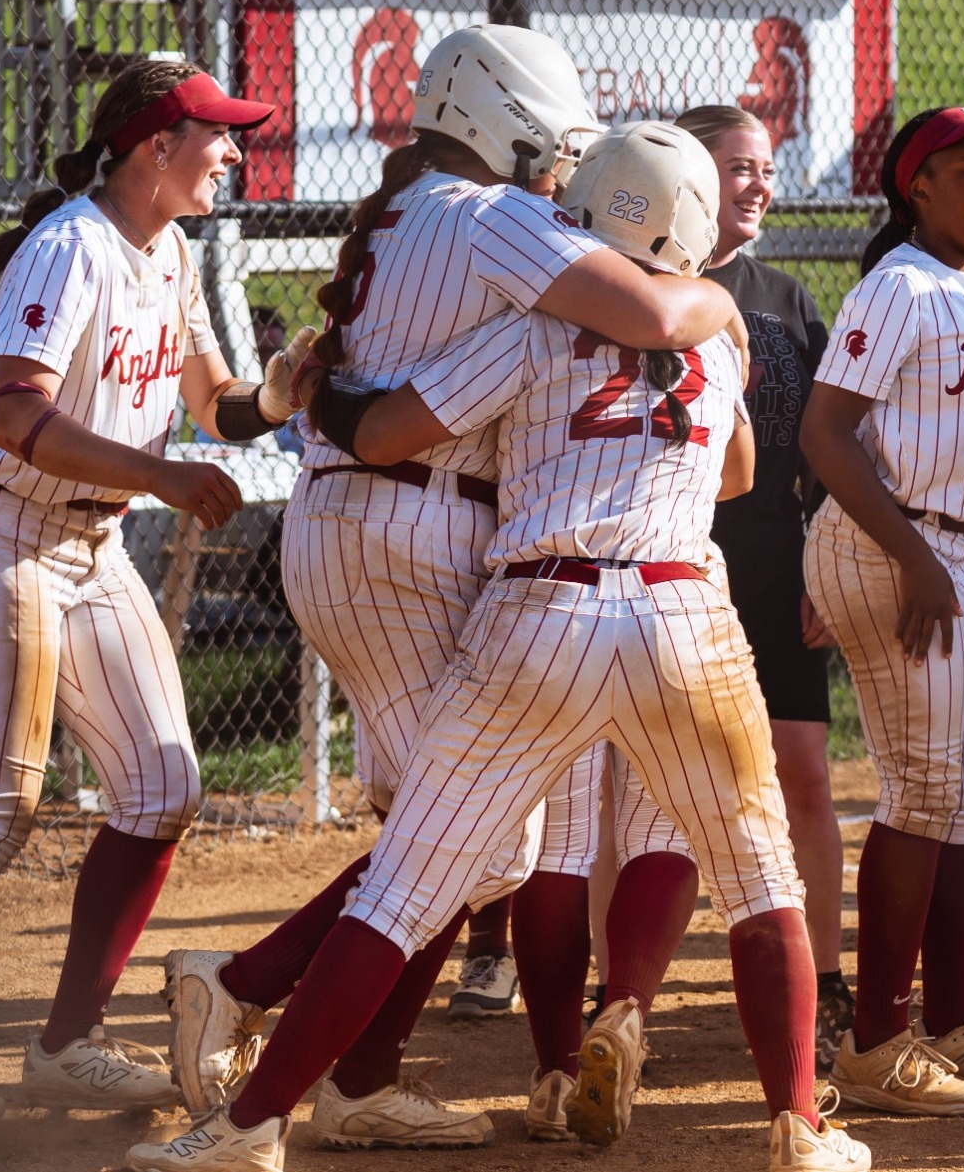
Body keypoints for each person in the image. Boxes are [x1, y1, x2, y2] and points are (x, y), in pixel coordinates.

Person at [129, 121, 871, 1172]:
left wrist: (318, 384)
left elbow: (382, 433)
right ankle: (800, 1125)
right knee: (761, 882)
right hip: (682, 614)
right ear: (695, 224)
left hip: (541, 615)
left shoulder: (534, 329)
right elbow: (739, 474)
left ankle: (250, 1126)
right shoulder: (715, 334)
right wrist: (717, 362)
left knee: (404, 889)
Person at [0, 61, 311, 1121]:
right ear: (154, 145)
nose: (231, 153)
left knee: (162, 785)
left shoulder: (170, 249)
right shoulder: (71, 246)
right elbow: (15, 414)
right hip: (1, 535)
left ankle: (66, 1042)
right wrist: (159, 473)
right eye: (216, 136)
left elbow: (215, 402)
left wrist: (280, 390)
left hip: (93, 546)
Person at [801, 103, 964, 1116]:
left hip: (943, 541)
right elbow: (826, 434)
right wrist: (911, 557)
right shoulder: (899, 286)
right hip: (891, 542)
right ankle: (873, 1043)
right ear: (916, 186)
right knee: (923, 793)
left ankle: (952, 1021)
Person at [674, 103, 850, 1065]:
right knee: (643, 798)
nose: (759, 183)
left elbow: (828, 448)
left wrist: (824, 558)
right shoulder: (633, 285)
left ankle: (824, 983)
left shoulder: (785, 297)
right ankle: (616, 996)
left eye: (767, 167)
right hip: (664, 567)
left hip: (775, 566)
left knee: (805, 774)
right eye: (737, 166)